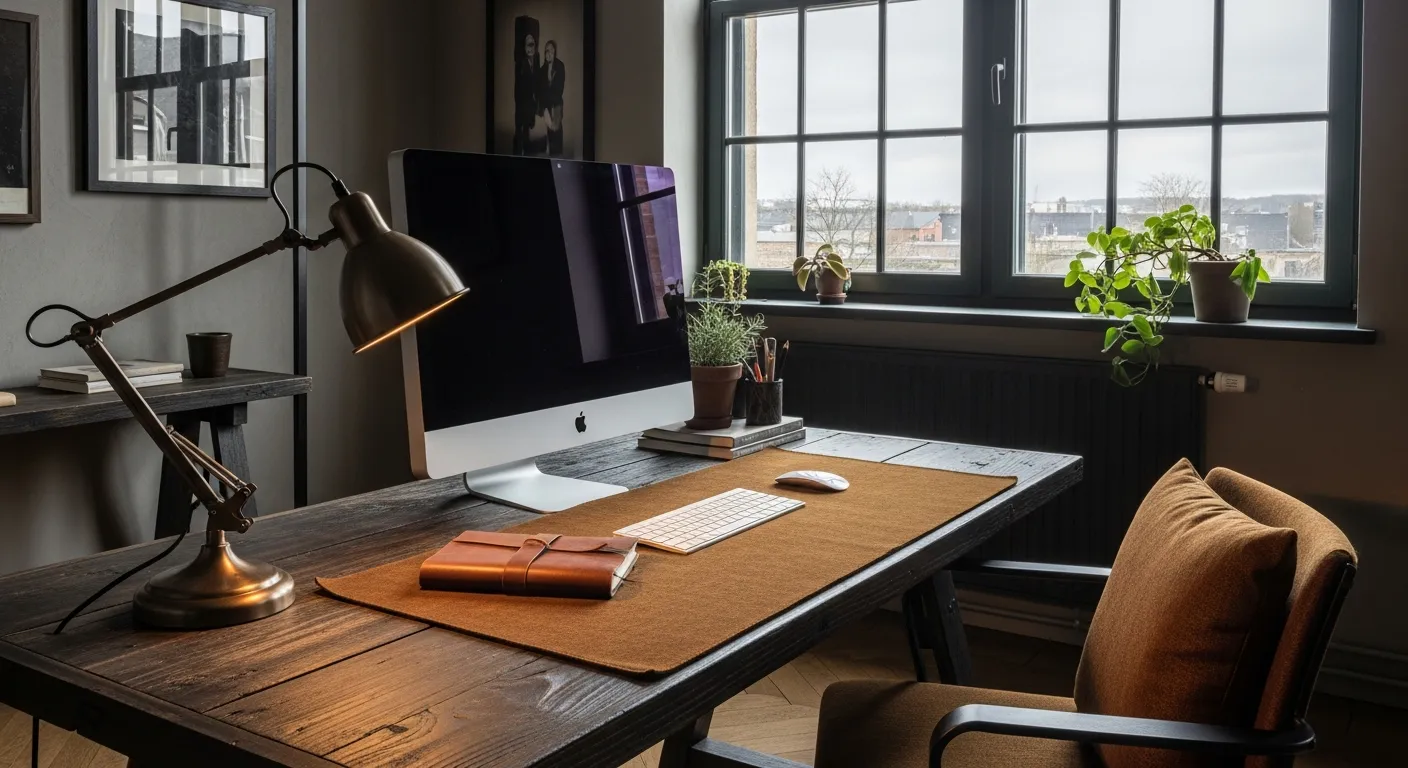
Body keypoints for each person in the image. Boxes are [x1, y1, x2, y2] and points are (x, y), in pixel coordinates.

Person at [538, 40, 566, 157]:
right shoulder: (542, 70)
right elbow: (540, 91)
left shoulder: (559, 66)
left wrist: (551, 100)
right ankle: (552, 155)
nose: (549, 53)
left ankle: (558, 154)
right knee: (550, 130)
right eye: (546, 51)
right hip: (547, 106)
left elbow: (559, 88)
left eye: (551, 50)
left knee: (557, 129)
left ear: (555, 51)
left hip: (556, 104)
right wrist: (544, 110)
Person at [513, 32, 539, 155]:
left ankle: (526, 155)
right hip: (522, 104)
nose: (530, 48)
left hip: (530, 104)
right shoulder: (521, 63)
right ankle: (518, 154)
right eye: (528, 45)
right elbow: (518, 86)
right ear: (524, 47)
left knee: (527, 132)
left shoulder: (536, 61)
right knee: (520, 131)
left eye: (532, 44)